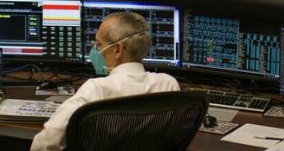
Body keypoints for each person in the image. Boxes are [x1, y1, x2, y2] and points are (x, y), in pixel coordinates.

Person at [30, 12, 180, 151]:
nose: (94, 50)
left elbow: (47, 142)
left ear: (118, 50)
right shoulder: (168, 85)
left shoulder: (96, 89)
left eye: (99, 44)